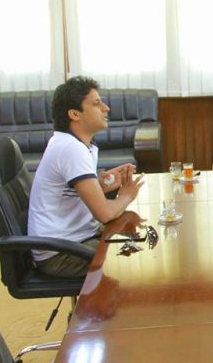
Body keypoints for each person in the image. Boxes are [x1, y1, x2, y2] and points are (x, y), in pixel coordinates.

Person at [28, 76, 145, 277]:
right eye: (97, 104)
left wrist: (100, 185)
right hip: (60, 253)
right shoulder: (70, 148)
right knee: (137, 257)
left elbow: (70, 192)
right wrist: (127, 194)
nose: (106, 108)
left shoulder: (79, 145)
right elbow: (105, 214)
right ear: (75, 114)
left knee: (138, 237)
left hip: (75, 239)